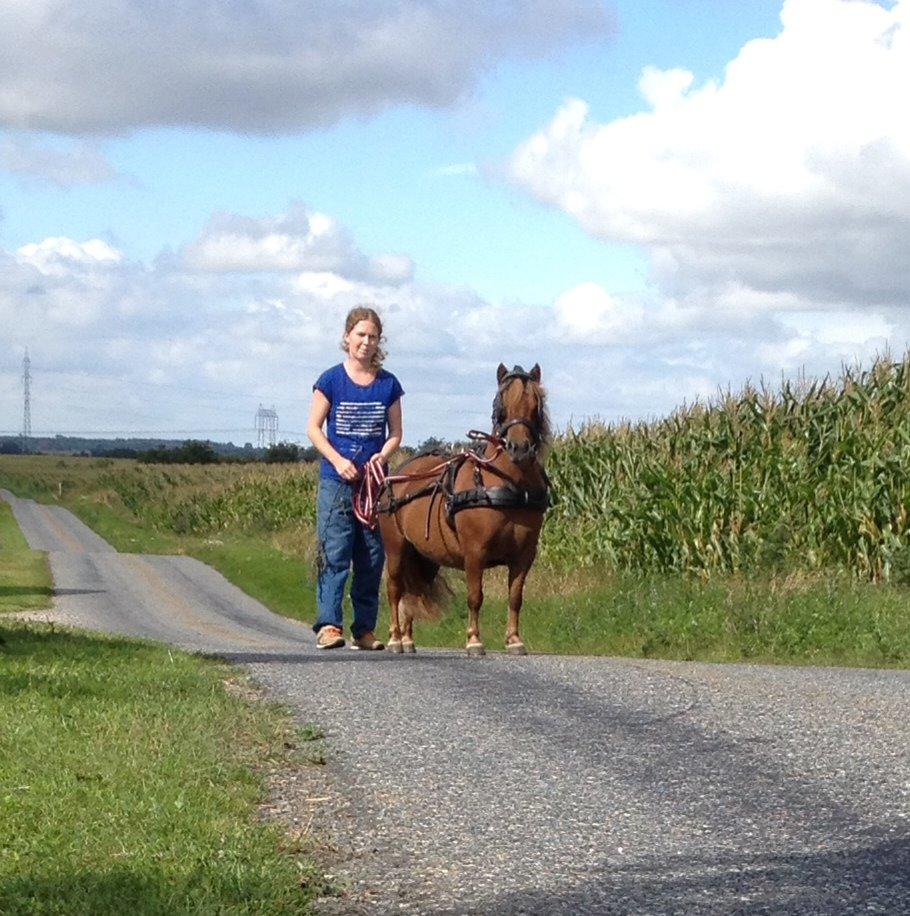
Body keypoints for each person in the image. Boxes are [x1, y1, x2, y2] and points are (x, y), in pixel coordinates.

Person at [307, 306, 403, 650]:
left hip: (373, 486)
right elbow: (314, 429)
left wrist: (382, 456)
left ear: (379, 342)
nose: (366, 341)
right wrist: (337, 459)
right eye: (360, 334)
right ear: (347, 337)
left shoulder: (389, 384)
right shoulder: (331, 380)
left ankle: (364, 629)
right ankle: (329, 625)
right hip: (336, 483)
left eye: (372, 336)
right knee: (334, 553)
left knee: (372, 557)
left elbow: (396, 433)